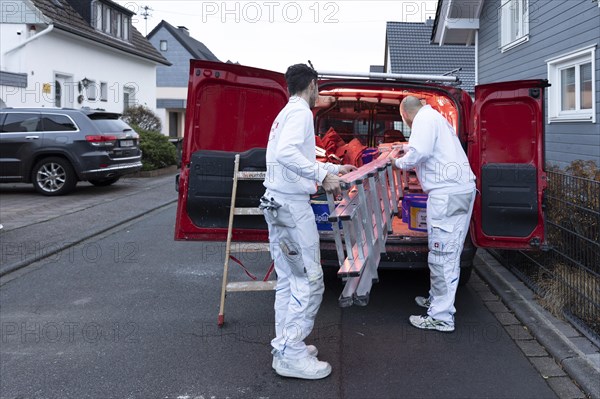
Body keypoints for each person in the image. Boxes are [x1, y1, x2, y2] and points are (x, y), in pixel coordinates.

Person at [261, 63, 356, 379]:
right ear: (313, 84)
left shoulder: (285, 112)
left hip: (277, 203)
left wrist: (330, 168)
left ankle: (287, 345)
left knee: (289, 280)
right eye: (320, 88)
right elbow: (288, 153)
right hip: (290, 208)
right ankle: (290, 352)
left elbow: (288, 154)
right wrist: (321, 175)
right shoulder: (301, 112)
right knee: (310, 280)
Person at [389, 96, 476, 333]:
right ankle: (438, 301)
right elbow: (427, 148)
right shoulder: (434, 116)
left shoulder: (423, 120)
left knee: (442, 255)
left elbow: (420, 153)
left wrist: (394, 163)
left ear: (405, 114)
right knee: (447, 253)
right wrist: (405, 148)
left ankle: (441, 317)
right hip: (455, 192)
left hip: (448, 195)